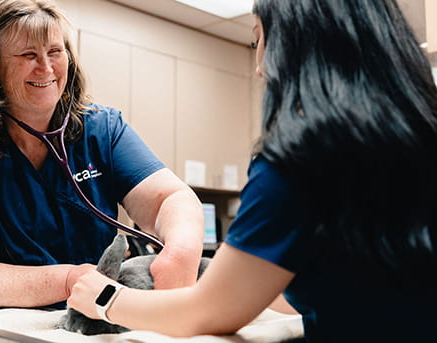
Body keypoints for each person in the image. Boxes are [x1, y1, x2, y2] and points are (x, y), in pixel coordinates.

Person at [67, 0, 437, 341]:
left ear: (296, 45)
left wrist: (103, 296)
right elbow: (354, 288)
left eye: (259, 40)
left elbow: (207, 313)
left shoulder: (301, 161)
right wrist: (227, 276)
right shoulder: (417, 136)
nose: (259, 66)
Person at [0, 0, 205, 309]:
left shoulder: (102, 129)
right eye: (28, 55)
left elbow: (168, 199)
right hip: (0, 323)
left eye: (55, 52)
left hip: (92, 315)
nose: (46, 67)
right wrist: (70, 280)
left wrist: (180, 254)